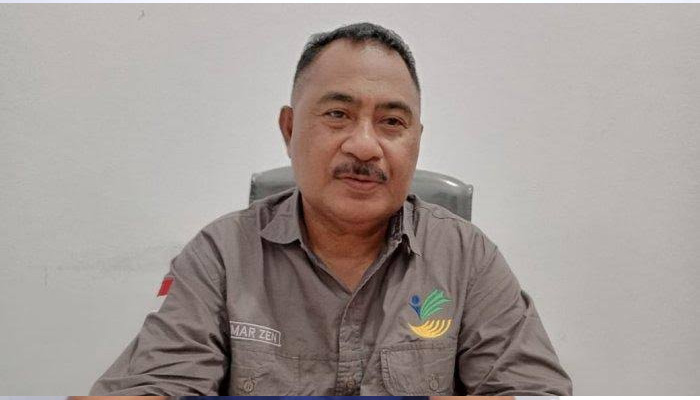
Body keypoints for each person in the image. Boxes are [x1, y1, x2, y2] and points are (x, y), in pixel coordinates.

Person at [85, 22, 572, 396]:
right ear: (289, 129)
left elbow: (532, 391)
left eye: (391, 122)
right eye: (338, 115)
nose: (365, 146)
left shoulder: (466, 258)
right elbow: (155, 385)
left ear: (416, 142)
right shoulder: (221, 255)